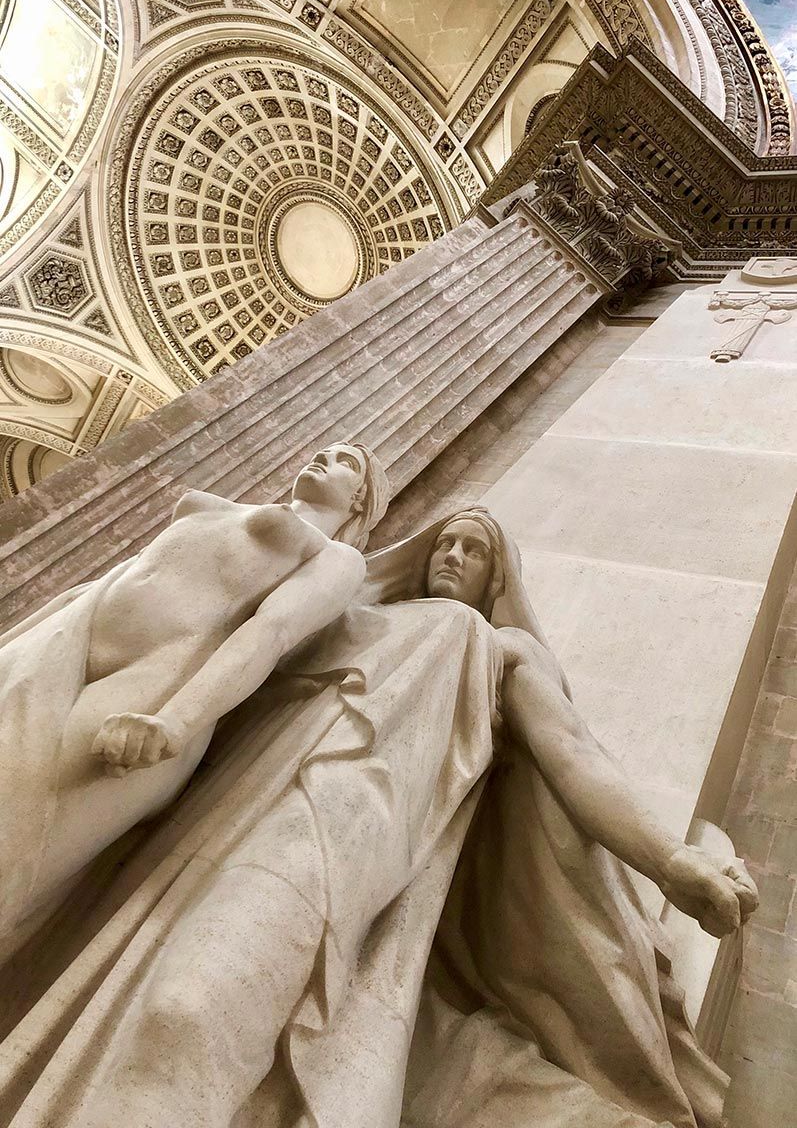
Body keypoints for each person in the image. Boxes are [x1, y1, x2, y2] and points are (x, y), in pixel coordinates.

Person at [5, 511, 757, 1128]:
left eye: (475, 550)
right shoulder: (348, 619)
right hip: (229, 817)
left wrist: (668, 860)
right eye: (445, 542)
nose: (453, 556)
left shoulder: (500, 647)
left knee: (190, 1010)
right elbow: (229, 640)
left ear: (499, 577)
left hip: (346, 835)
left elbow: (569, 757)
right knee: (142, 1009)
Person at [0, 442, 389, 954]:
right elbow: (98, 583)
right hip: (61, 644)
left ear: (360, 499)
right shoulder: (214, 509)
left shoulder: (337, 557)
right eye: (323, 449)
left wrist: (176, 722)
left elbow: (271, 632)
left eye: (347, 462)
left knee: (15, 839)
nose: (323, 458)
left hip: (153, 686)